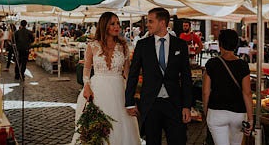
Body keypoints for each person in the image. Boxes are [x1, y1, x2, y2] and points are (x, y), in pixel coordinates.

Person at [125, 8, 193, 144]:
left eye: (151, 21)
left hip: (174, 104)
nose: (147, 24)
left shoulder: (180, 45)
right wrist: (129, 102)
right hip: (150, 104)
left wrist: (187, 106)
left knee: (178, 141)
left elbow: (186, 77)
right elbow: (133, 74)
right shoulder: (142, 45)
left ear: (162, 23)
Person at [71, 12, 140, 144]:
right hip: (98, 90)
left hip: (119, 90)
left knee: (121, 125)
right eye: (113, 24)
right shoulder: (92, 45)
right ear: (104, 25)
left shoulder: (123, 46)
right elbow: (86, 68)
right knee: (96, 127)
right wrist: (86, 86)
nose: (117, 27)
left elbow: (128, 73)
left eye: (118, 23)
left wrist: (132, 96)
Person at [203, 29, 253, 145]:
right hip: (238, 114)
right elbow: (247, 93)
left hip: (216, 112)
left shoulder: (211, 63)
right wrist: (250, 118)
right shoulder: (243, 65)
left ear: (220, 45)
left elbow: (206, 92)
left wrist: (206, 112)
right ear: (236, 45)